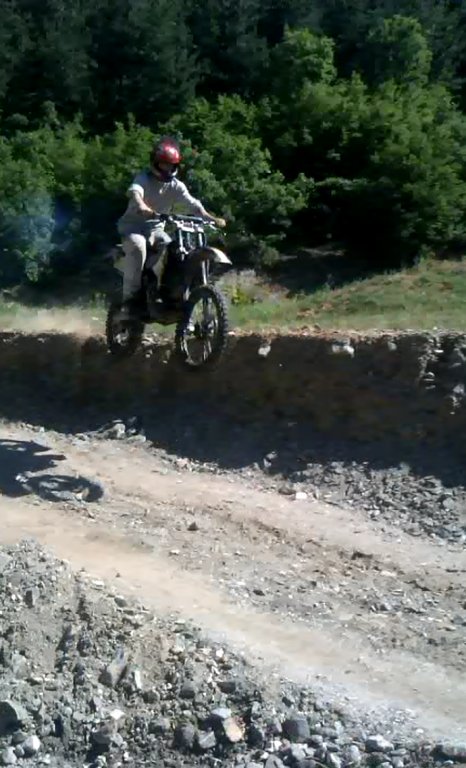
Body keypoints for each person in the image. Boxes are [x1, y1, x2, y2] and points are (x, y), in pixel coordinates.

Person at [117, 137, 226, 316]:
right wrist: (142, 206)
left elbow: (193, 204)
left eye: (171, 165)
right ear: (155, 163)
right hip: (133, 227)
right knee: (138, 246)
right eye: (163, 164)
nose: (167, 168)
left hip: (155, 229)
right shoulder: (144, 178)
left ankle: (164, 290)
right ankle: (130, 300)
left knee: (172, 248)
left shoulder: (175, 185)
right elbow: (135, 192)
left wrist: (210, 218)